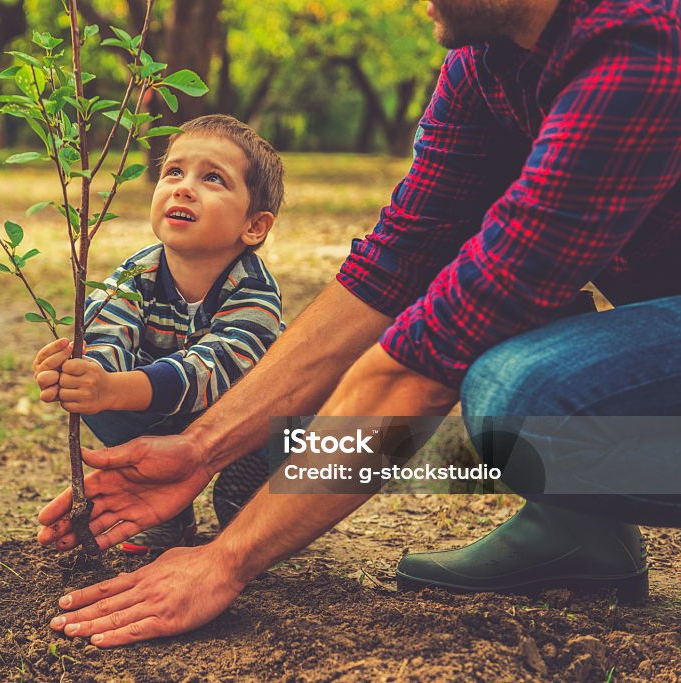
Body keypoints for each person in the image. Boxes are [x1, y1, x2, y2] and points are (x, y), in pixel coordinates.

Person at [34, 0, 681, 648]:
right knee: (504, 307)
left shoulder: (640, 46)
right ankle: (581, 531)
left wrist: (225, 559)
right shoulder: (483, 64)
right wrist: (200, 448)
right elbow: (392, 269)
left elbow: (425, 364)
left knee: (525, 398)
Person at [32, 114, 287, 554]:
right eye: (173, 171)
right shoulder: (137, 274)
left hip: (245, 419)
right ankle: (165, 506)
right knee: (99, 397)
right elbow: (108, 331)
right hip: (164, 413)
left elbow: (212, 370)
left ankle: (256, 485)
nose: (183, 187)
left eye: (213, 178)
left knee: (290, 426)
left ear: (254, 226)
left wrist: (115, 387)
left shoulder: (255, 292)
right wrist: (83, 375)